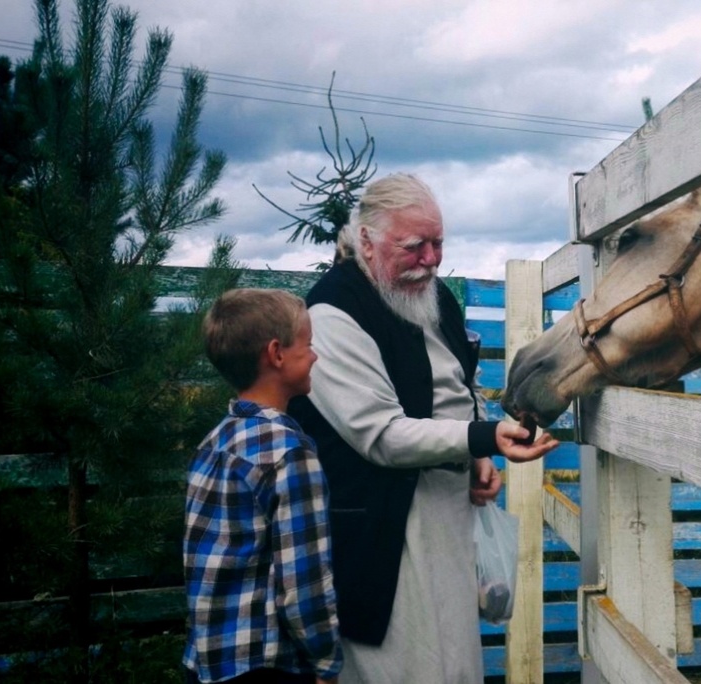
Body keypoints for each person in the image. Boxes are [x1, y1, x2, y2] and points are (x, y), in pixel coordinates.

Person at [288, 173, 557, 684]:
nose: (432, 260)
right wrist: (482, 439)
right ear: (365, 241)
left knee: (454, 660)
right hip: (381, 529)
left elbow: (460, 387)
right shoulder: (331, 313)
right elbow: (381, 436)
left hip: (447, 514)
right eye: (415, 246)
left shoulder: (433, 296)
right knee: (403, 664)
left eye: (438, 244)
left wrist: (479, 452)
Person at [184, 288, 342, 684]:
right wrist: (326, 661)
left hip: (210, 662)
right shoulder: (289, 452)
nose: (315, 355)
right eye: (307, 344)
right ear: (276, 354)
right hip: (268, 664)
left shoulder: (216, 441)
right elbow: (304, 582)